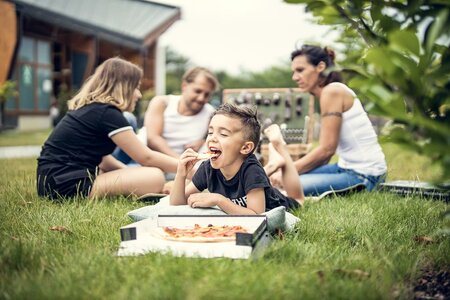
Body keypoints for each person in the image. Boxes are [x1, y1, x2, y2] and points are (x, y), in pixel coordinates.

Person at [36, 57, 180, 199]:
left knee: (143, 175)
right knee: (155, 176)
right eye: (136, 87)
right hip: (66, 186)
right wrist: (188, 168)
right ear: (123, 87)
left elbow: (103, 159)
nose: (139, 94)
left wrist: (132, 176)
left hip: (51, 183)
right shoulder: (108, 113)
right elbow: (146, 157)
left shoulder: (93, 109)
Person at [271, 44, 387, 196]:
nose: (295, 77)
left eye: (300, 70)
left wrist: (290, 171)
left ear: (320, 66)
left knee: (284, 187)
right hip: (344, 168)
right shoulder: (332, 91)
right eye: (294, 72)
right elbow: (325, 155)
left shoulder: (332, 91)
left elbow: (327, 150)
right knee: (284, 179)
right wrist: (288, 171)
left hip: (365, 176)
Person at [170, 103, 304, 215]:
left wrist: (219, 200)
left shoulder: (253, 171)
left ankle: (279, 145)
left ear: (245, 148)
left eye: (223, 134)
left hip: (282, 202)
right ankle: (274, 163)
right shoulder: (207, 168)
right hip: (255, 186)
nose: (212, 138)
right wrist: (181, 175)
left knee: (298, 200)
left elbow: (256, 215)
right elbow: (177, 204)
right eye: (210, 132)